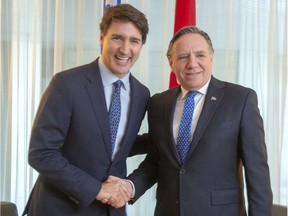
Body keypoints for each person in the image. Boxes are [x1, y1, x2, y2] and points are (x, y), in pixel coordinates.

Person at [109, 26, 273, 215]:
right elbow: (156, 160)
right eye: (183, 57)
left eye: (200, 55)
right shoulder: (158, 103)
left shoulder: (240, 99)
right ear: (171, 62)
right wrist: (129, 186)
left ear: (211, 57)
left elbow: (257, 172)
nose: (192, 63)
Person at [22, 4, 149, 216]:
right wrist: (96, 189)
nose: (125, 49)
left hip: (111, 211)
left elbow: (112, 144)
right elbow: (41, 153)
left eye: (134, 41)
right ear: (102, 38)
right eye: (117, 38)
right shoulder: (66, 84)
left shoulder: (142, 94)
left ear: (141, 45)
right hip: (60, 209)